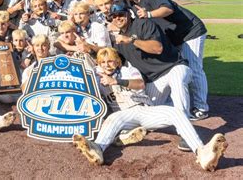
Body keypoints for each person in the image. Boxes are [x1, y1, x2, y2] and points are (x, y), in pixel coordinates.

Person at [72, 47, 228, 172]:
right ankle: (98, 148)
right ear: (98, 63)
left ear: (118, 62)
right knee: (114, 119)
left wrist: (116, 81)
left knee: (175, 112)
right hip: (121, 116)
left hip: (142, 111)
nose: (106, 65)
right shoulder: (95, 75)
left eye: (110, 61)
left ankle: (202, 152)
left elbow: (140, 84)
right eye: (102, 62)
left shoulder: (128, 70)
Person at [119, 0, 209, 120]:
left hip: (190, 32)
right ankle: (176, 104)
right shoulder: (130, 3)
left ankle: (201, 107)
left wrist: (148, 14)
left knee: (194, 68)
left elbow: (168, 9)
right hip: (175, 36)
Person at [108, 4, 192, 118]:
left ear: (128, 14)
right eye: (113, 16)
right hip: (153, 79)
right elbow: (112, 59)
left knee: (177, 82)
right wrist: (89, 48)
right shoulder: (119, 41)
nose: (117, 18)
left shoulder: (143, 24)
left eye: (120, 14)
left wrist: (132, 40)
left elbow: (157, 48)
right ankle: (177, 110)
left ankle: (184, 122)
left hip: (173, 67)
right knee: (151, 115)